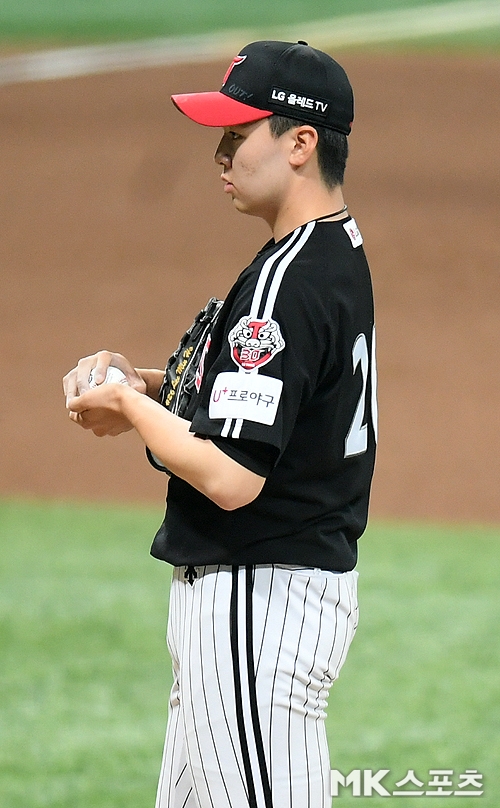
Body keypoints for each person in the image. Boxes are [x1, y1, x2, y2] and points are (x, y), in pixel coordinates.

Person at [63, 40, 377, 808]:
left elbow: (232, 476)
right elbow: (274, 397)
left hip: (256, 604)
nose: (220, 153)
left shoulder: (284, 279)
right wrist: (143, 382)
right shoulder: (327, 253)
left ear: (301, 142)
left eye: (240, 134)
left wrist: (134, 410)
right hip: (268, 601)